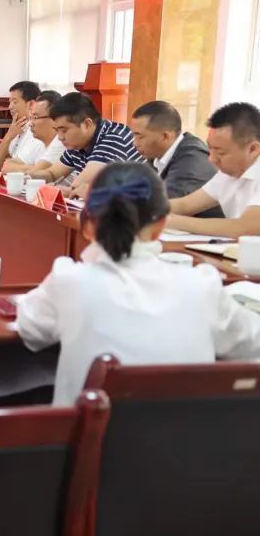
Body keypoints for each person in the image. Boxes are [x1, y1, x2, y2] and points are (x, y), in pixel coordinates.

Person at [17, 162, 260, 405]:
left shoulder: (69, 281)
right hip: (188, 428)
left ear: (87, 227)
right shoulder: (203, 286)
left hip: (94, 428)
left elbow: (31, 331)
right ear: (160, 227)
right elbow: (250, 344)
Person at [168, 102, 260, 236]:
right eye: (210, 149)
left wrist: (170, 221)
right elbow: (185, 205)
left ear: (253, 149)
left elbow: (244, 228)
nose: (211, 159)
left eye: (220, 153)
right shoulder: (228, 173)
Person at [27, 92, 140, 198]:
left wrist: (56, 190)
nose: (60, 137)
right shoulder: (78, 143)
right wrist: (26, 177)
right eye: (57, 130)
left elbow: (77, 189)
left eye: (64, 130)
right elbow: (52, 174)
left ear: (87, 124)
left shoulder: (113, 138)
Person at [130, 100, 222, 218]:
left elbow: (164, 204)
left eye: (140, 136)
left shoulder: (192, 160)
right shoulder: (155, 156)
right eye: (133, 135)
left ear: (165, 136)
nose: (135, 143)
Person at [1, 90, 66, 174]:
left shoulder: (61, 142)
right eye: (31, 118)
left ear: (55, 119)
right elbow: (6, 167)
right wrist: (35, 167)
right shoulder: (37, 142)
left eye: (35, 117)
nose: (30, 124)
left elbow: (38, 173)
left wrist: (35, 168)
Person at [0, 81, 41, 171]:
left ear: (31, 104)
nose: (10, 107)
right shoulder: (16, 127)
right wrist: (9, 136)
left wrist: (8, 162)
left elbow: (5, 166)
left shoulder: (36, 131)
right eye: (10, 102)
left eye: (15, 102)